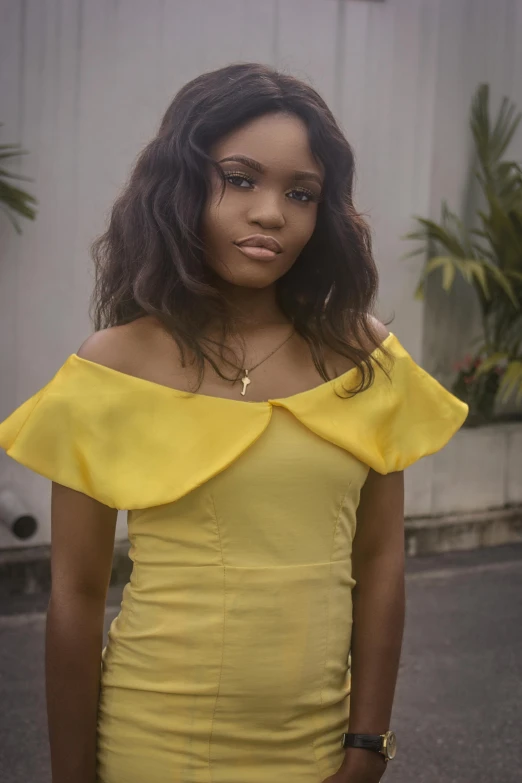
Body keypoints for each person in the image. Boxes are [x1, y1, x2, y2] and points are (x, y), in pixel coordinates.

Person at [0, 62, 468, 783]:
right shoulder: (113, 367)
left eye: (300, 192)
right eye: (240, 179)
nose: (271, 212)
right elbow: (76, 597)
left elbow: (379, 564)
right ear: (183, 188)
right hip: (152, 744)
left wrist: (368, 745)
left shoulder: (363, 355)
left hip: (315, 753)